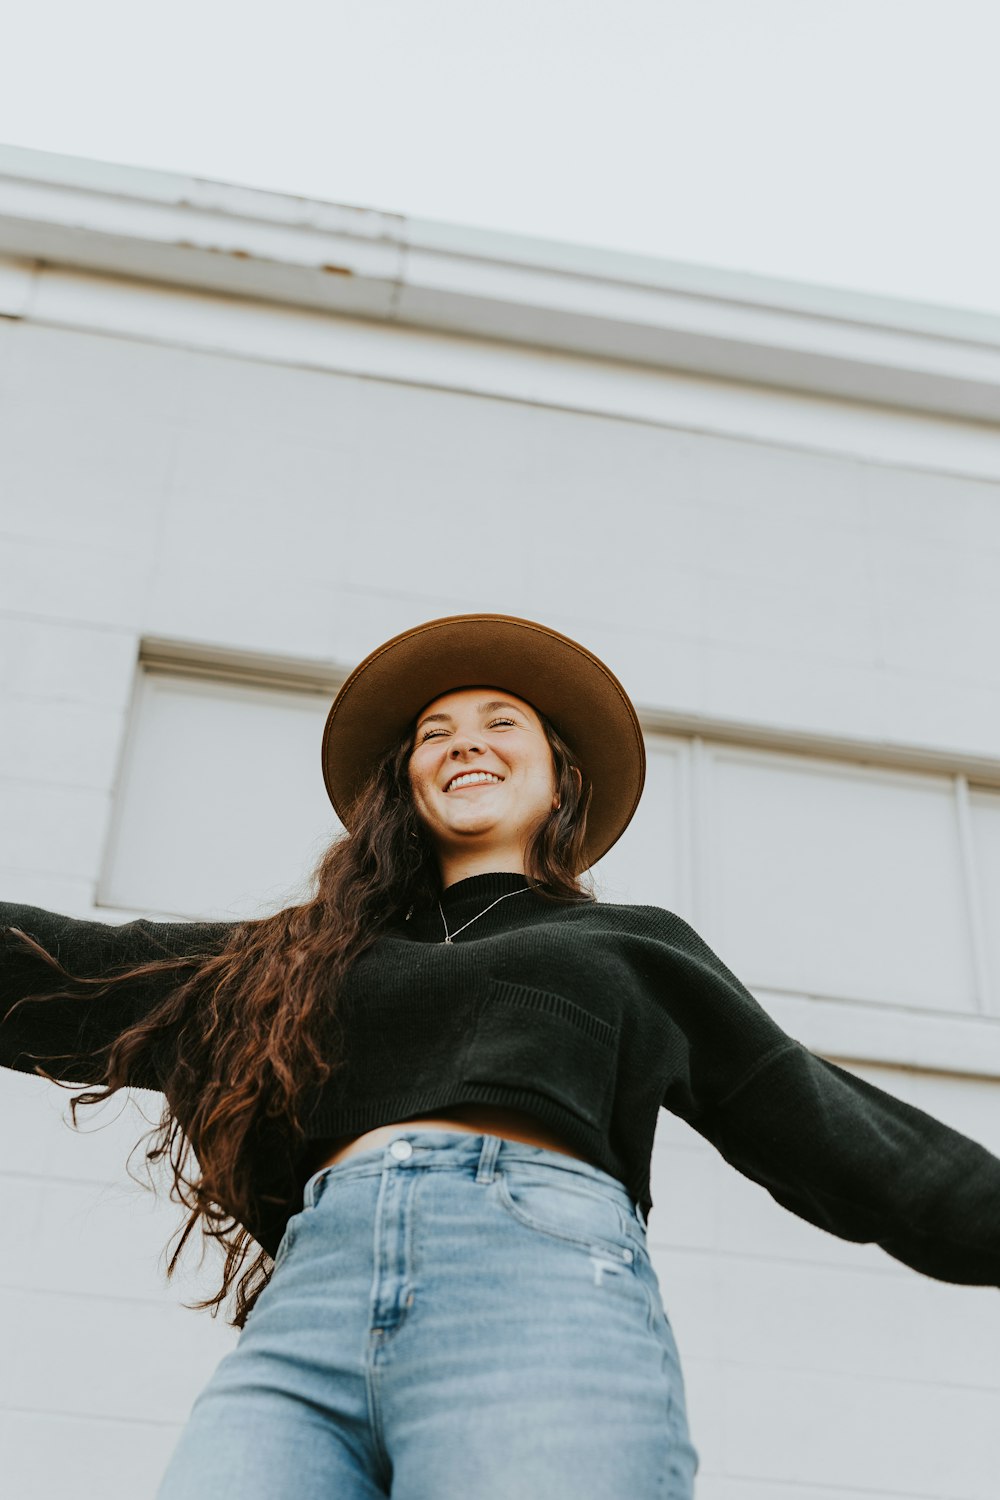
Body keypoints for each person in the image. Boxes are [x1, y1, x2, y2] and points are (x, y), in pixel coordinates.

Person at [2, 612, 999, 1500]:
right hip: (311, 1307)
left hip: (532, 1283)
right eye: (434, 733)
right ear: (405, 782)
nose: (463, 742)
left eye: (499, 723)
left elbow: (830, 1124)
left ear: (561, 776)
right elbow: (68, 972)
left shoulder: (624, 948)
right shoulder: (296, 957)